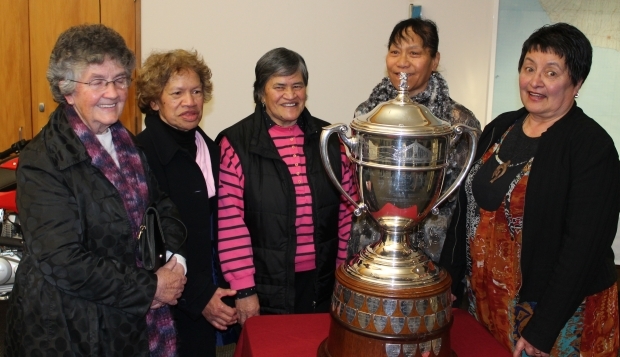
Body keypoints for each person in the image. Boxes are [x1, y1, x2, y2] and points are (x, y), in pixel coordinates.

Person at [5, 24, 188, 356]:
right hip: (68, 328)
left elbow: (160, 206)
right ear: (67, 89)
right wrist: (151, 287)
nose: (114, 92)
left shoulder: (127, 143)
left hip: (127, 319)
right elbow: (62, 260)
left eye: (120, 79)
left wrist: (174, 260)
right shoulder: (42, 159)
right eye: (98, 81)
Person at [439, 23, 620, 357]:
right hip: (489, 303)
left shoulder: (592, 147)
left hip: (558, 318)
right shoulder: (500, 127)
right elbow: (465, 206)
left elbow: (584, 248)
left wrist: (543, 328)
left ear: (576, 82)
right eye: (529, 68)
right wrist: (449, 277)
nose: (535, 81)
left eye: (551, 72)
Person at [217, 47, 358, 325]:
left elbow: (347, 216)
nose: (290, 95)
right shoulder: (236, 144)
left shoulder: (331, 140)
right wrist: (245, 290)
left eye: (297, 85)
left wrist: (345, 277)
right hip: (263, 287)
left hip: (323, 283)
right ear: (261, 92)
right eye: (279, 86)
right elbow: (231, 224)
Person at [351, 17, 480, 262]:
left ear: (435, 60)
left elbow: (467, 203)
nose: (402, 62)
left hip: (433, 256)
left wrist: (455, 267)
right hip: (370, 250)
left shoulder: (458, 122)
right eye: (395, 52)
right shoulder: (365, 114)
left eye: (414, 53)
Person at [135, 49, 238, 356]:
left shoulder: (211, 147)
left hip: (213, 287)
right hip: (170, 302)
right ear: (155, 101)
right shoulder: (141, 154)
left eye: (196, 91)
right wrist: (200, 297)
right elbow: (150, 242)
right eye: (177, 93)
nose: (191, 102)